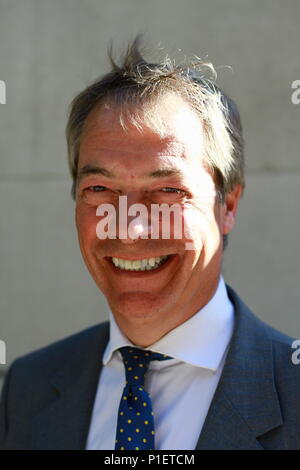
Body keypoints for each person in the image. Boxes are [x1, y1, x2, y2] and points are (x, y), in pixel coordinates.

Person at [1, 36, 300, 450]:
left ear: (227, 205)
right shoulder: (27, 389)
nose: (129, 229)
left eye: (167, 191)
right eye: (101, 188)